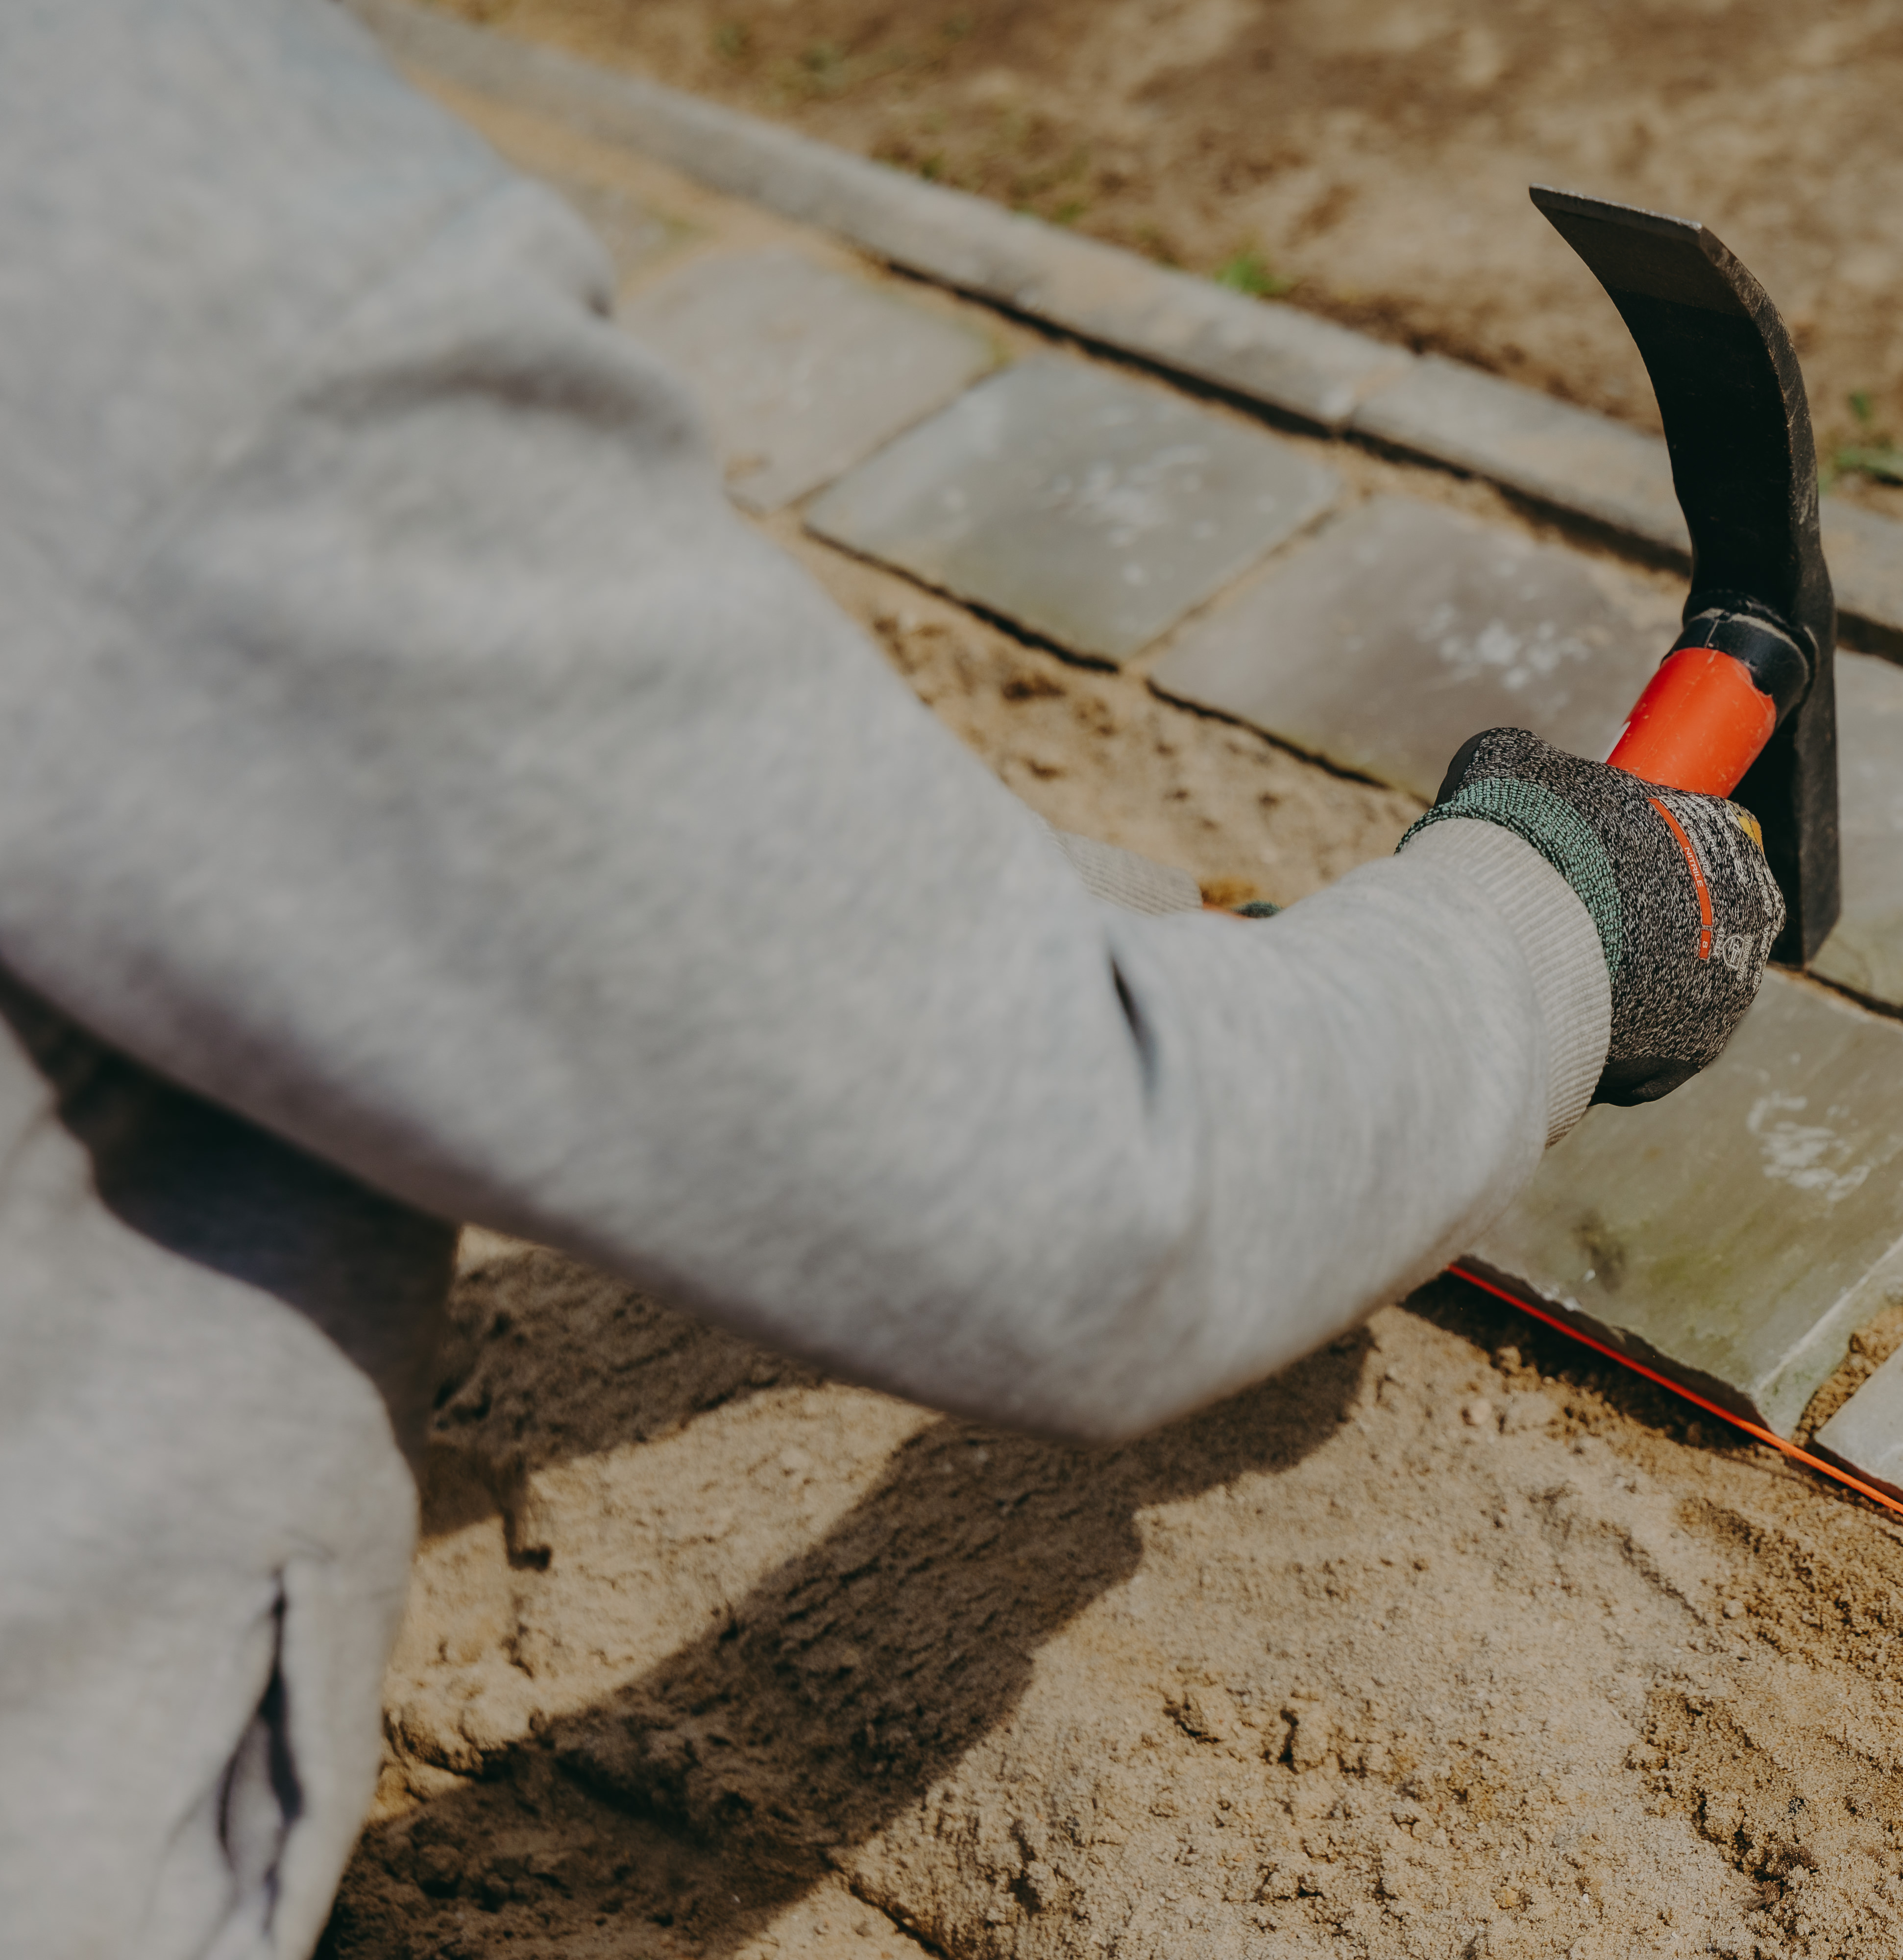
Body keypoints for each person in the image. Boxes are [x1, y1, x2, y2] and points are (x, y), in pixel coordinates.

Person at [0, 2, 1785, 1954]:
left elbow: (462, 831)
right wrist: (1560, 925)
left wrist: (1083, 947)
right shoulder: (179, 252)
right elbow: (1100, 1198)